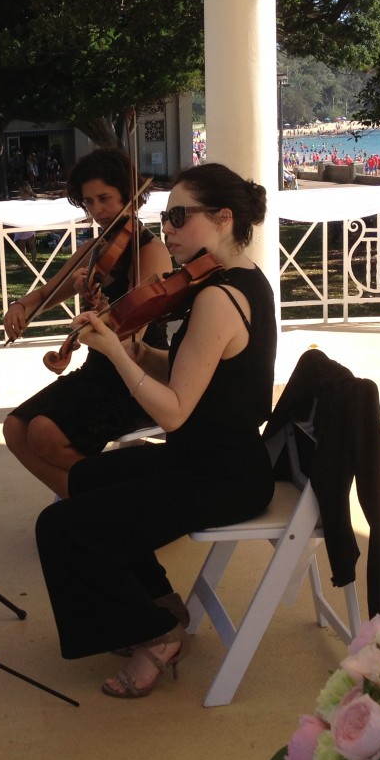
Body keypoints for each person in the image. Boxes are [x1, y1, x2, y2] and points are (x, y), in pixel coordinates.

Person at [34, 162, 275, 699]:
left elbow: (173, 412)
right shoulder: (239, 280)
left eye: (178, 216)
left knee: (60, 528)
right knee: (90, 478)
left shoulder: (217, 298)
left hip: (220, 474)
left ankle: (154, 633)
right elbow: (195, 371)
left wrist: (118, 353)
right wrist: (139, 349)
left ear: (222, 218)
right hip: (216, 458)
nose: (165, 228)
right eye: (165, 217)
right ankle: (157, 604)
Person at [3, 148, 173, 498]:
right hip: (98, 371)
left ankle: (111, 505)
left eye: (105, 199)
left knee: (44, 432)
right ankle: (93, 508)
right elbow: (46, 294)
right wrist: (20, 306)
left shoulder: (150, 251)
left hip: (135, 378)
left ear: (129, 196)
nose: (97, 210)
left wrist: (101, 307)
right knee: (15, 428)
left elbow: (133, 334)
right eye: (89, 202)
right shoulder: (96, 248)